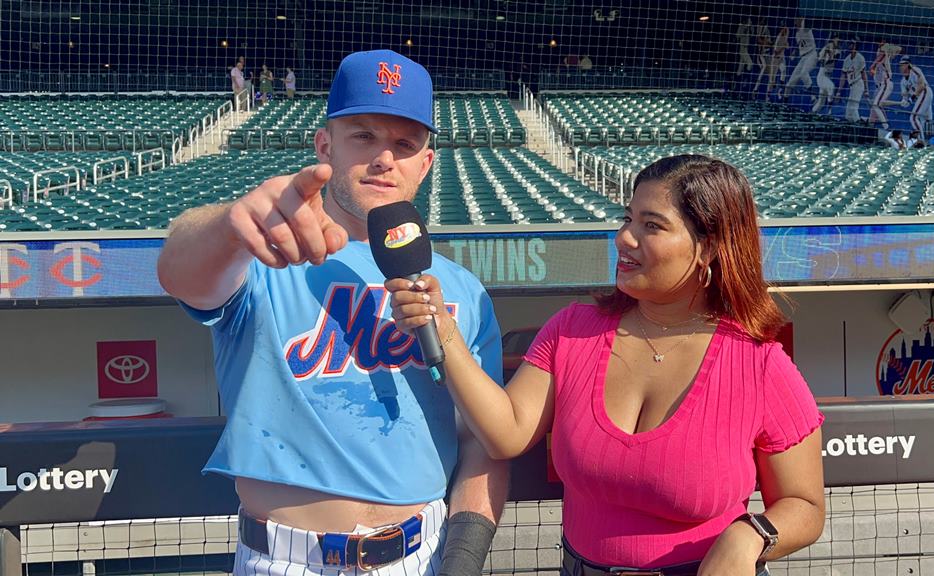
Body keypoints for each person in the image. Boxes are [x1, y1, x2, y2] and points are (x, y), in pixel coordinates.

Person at [386, 155, 826, 576]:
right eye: (627, 219)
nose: (625, 238)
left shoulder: (761, 365)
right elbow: (506, 433)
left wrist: (749, 536)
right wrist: (442, 328)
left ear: (708, 247)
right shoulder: (572, 330)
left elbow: (804, 506)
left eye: (651, 226)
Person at [157, 50, 508, 576]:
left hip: (423, 553)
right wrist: (229, 225)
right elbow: (179, 270)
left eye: (405, 144)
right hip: (284, 559)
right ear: (326, 145)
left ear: (426, 163)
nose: (385, 158)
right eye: (363, 136)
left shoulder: (461, 288)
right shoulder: (265, 252)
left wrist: (463, 557)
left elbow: (480, 441)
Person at [868, 42, 902, 130]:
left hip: (885, 84)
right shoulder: (880, 60)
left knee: (877, 105)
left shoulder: (884, 56)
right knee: (876, 107)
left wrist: (889, 48)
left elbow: (898, 48)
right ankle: (872, 125)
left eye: (880, 50)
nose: (878, 52)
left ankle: (886, 126)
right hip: (879, 87)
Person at [899, 56, 933, 137]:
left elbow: (922, 85)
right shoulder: (902, 82)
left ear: (909, 65)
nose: (901, 66)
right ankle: (923, 140)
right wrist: (904, 102)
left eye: (904, 64)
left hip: (925, 93)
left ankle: (921, 141)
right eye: (900, 65)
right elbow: (905, 99)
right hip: (920, 99)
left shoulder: (915, 70)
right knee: (923, 120)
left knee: (913, 117)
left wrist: (912, 98)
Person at [783, 18, 816, 99]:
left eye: (797, 21)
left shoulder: (805, 29)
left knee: (803, 73)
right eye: (795, 22)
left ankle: (813, 95)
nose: (796, 23)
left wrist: (802, 19)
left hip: (812, 55)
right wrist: (794, 52)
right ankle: (785, 100)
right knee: (790, 83)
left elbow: (807, 23)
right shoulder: (797, 34)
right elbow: (799, 46)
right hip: (803, 58)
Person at [839, 39, 867, 122]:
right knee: (848, 111)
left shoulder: (860, 58)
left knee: (853, 108)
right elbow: (843, 76)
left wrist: (866, 89)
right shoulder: (847, 60)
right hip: (852, 86)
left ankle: (858, 125)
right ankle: (850, 126)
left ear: (855, 46)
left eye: (852, 44)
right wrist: (839, 91)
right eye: (850, 44)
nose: (850, 46)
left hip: (858, 83)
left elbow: (864, 74)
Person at [811, 35, 840, 114]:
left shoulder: (837, 50)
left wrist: (831, 56)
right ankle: (829, 112)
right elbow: (820, 60)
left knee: (821, 102)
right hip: (822, 75)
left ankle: (812, 113)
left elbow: (836, 58)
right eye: (836, 38)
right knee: (831, 87)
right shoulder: (826, 47)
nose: (837, 40)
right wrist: (825, 56)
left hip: (828, 76)